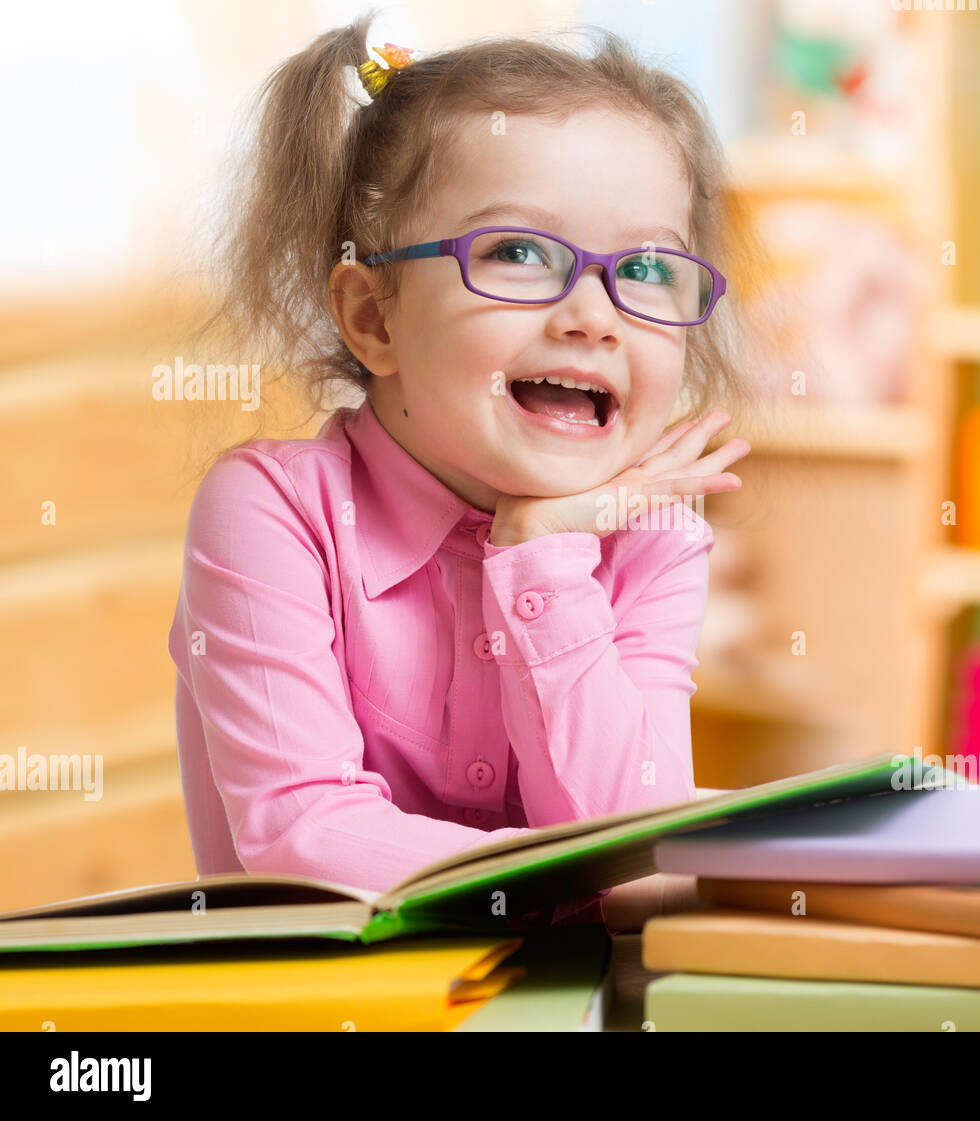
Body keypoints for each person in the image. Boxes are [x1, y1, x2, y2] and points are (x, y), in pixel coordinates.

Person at [169, 12, 761, 927]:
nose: (594, 316)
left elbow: (628, 829)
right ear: (375, 318)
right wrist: (585, 886)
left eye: (644, 266)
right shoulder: (272, 510)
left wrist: (540, 557)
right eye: (519, 253)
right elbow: (302, 834)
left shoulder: (655, 540)